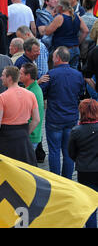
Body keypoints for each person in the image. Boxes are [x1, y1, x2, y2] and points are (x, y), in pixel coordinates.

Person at [40, 46, 84, 179]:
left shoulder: (50, 75)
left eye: (53, 57)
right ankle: (68, 180)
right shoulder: (77, 75)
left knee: (53, 151)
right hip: (71, 118)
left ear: (58, 58)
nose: (52, 60)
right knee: (68, 152)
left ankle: (55, 180)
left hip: (54, 118)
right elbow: (81, 93)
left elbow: (41, 92)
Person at [0, 66, 40, 166]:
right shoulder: (31, 95)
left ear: (9, 78)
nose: (1, 78)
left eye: (3, 76)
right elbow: (36, 119)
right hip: (23, 136)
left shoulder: (1, 97)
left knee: (7, 170)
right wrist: (26, 132)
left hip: (6, 137)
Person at [68, 99, 98, 228]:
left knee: (89, 205)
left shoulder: (76, 131)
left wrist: (80, 160)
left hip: (85, 171)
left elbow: (71, 153)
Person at [44, 0, 88, 69]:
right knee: (73, 72)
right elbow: (86, 31)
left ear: (60, 7)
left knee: (60, 73)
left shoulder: (60, 18)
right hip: (75, 48)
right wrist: (78, 42)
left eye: (56, 5)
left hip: (62, 50)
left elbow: (47, 32)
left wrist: (51, 17)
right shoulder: (77, 16)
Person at [19, 63, 45, 152]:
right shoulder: (34, 88)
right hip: (33, 135)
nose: (19, 75)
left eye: (21, 73)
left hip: (30, 136)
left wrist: (25, 135)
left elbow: (35, 119)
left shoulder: (32, 92)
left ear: (28, 76)